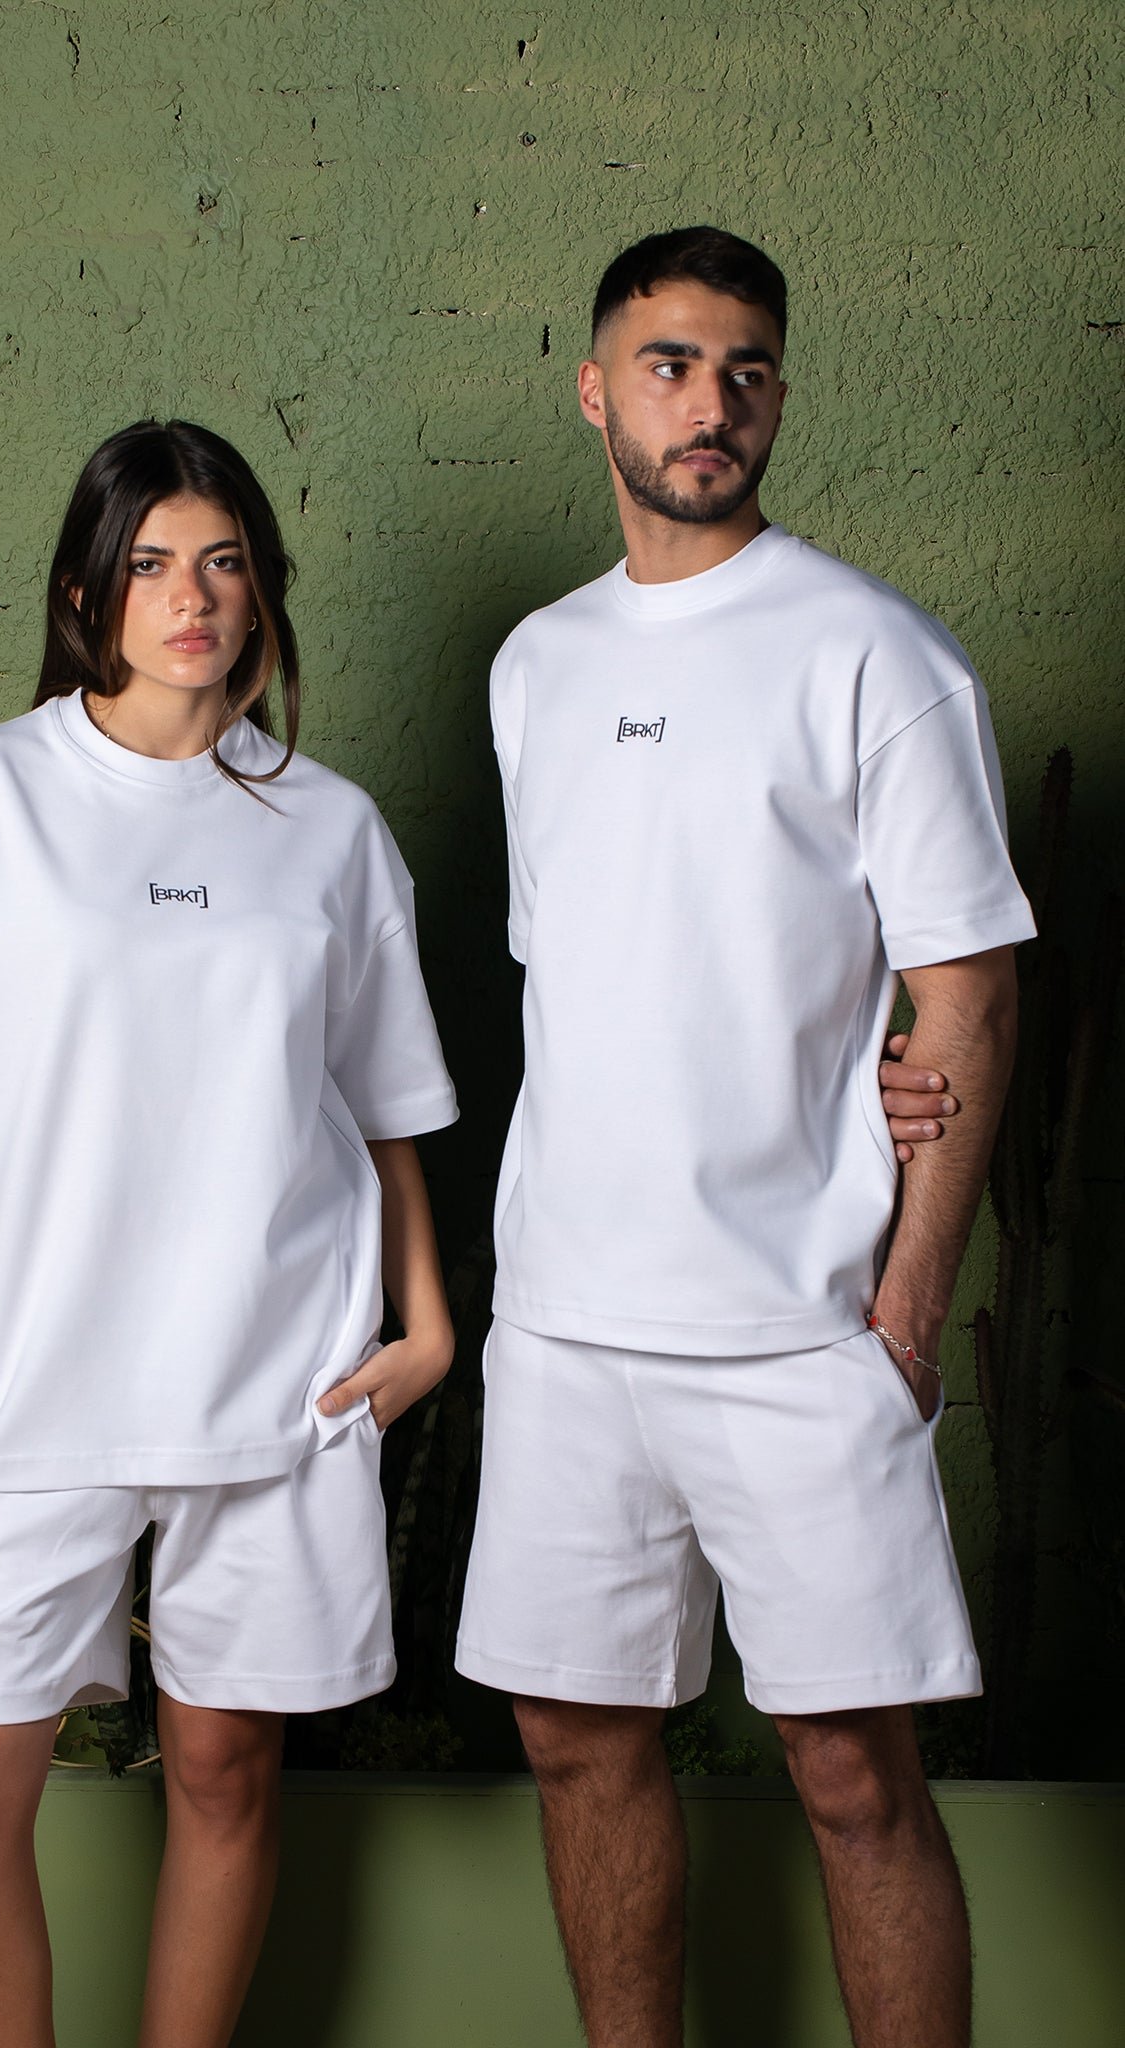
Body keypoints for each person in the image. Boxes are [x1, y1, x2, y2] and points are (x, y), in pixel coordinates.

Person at [455, 227, 1034, 2048]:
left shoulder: (874, 653)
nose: (708, 404)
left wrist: (908, 1306)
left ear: (776, 395)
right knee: (573, 1741)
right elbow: (601, 975)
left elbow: (968, 992)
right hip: (565, 1324)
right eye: (669, 364)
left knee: (852, 1772)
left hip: (799, 1328)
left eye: (745, 371)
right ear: (595, 390)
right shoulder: (535, 667)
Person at [0, 420, 459, 2048]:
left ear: (262, 591)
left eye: (225, 562)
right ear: (85, 592)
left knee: (228, 1770)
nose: (193, 598)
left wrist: (428, 1322)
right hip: (33, 1387)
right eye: (154, 564)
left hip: (278, 1373)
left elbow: (382, 1105)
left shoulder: (331, 830)